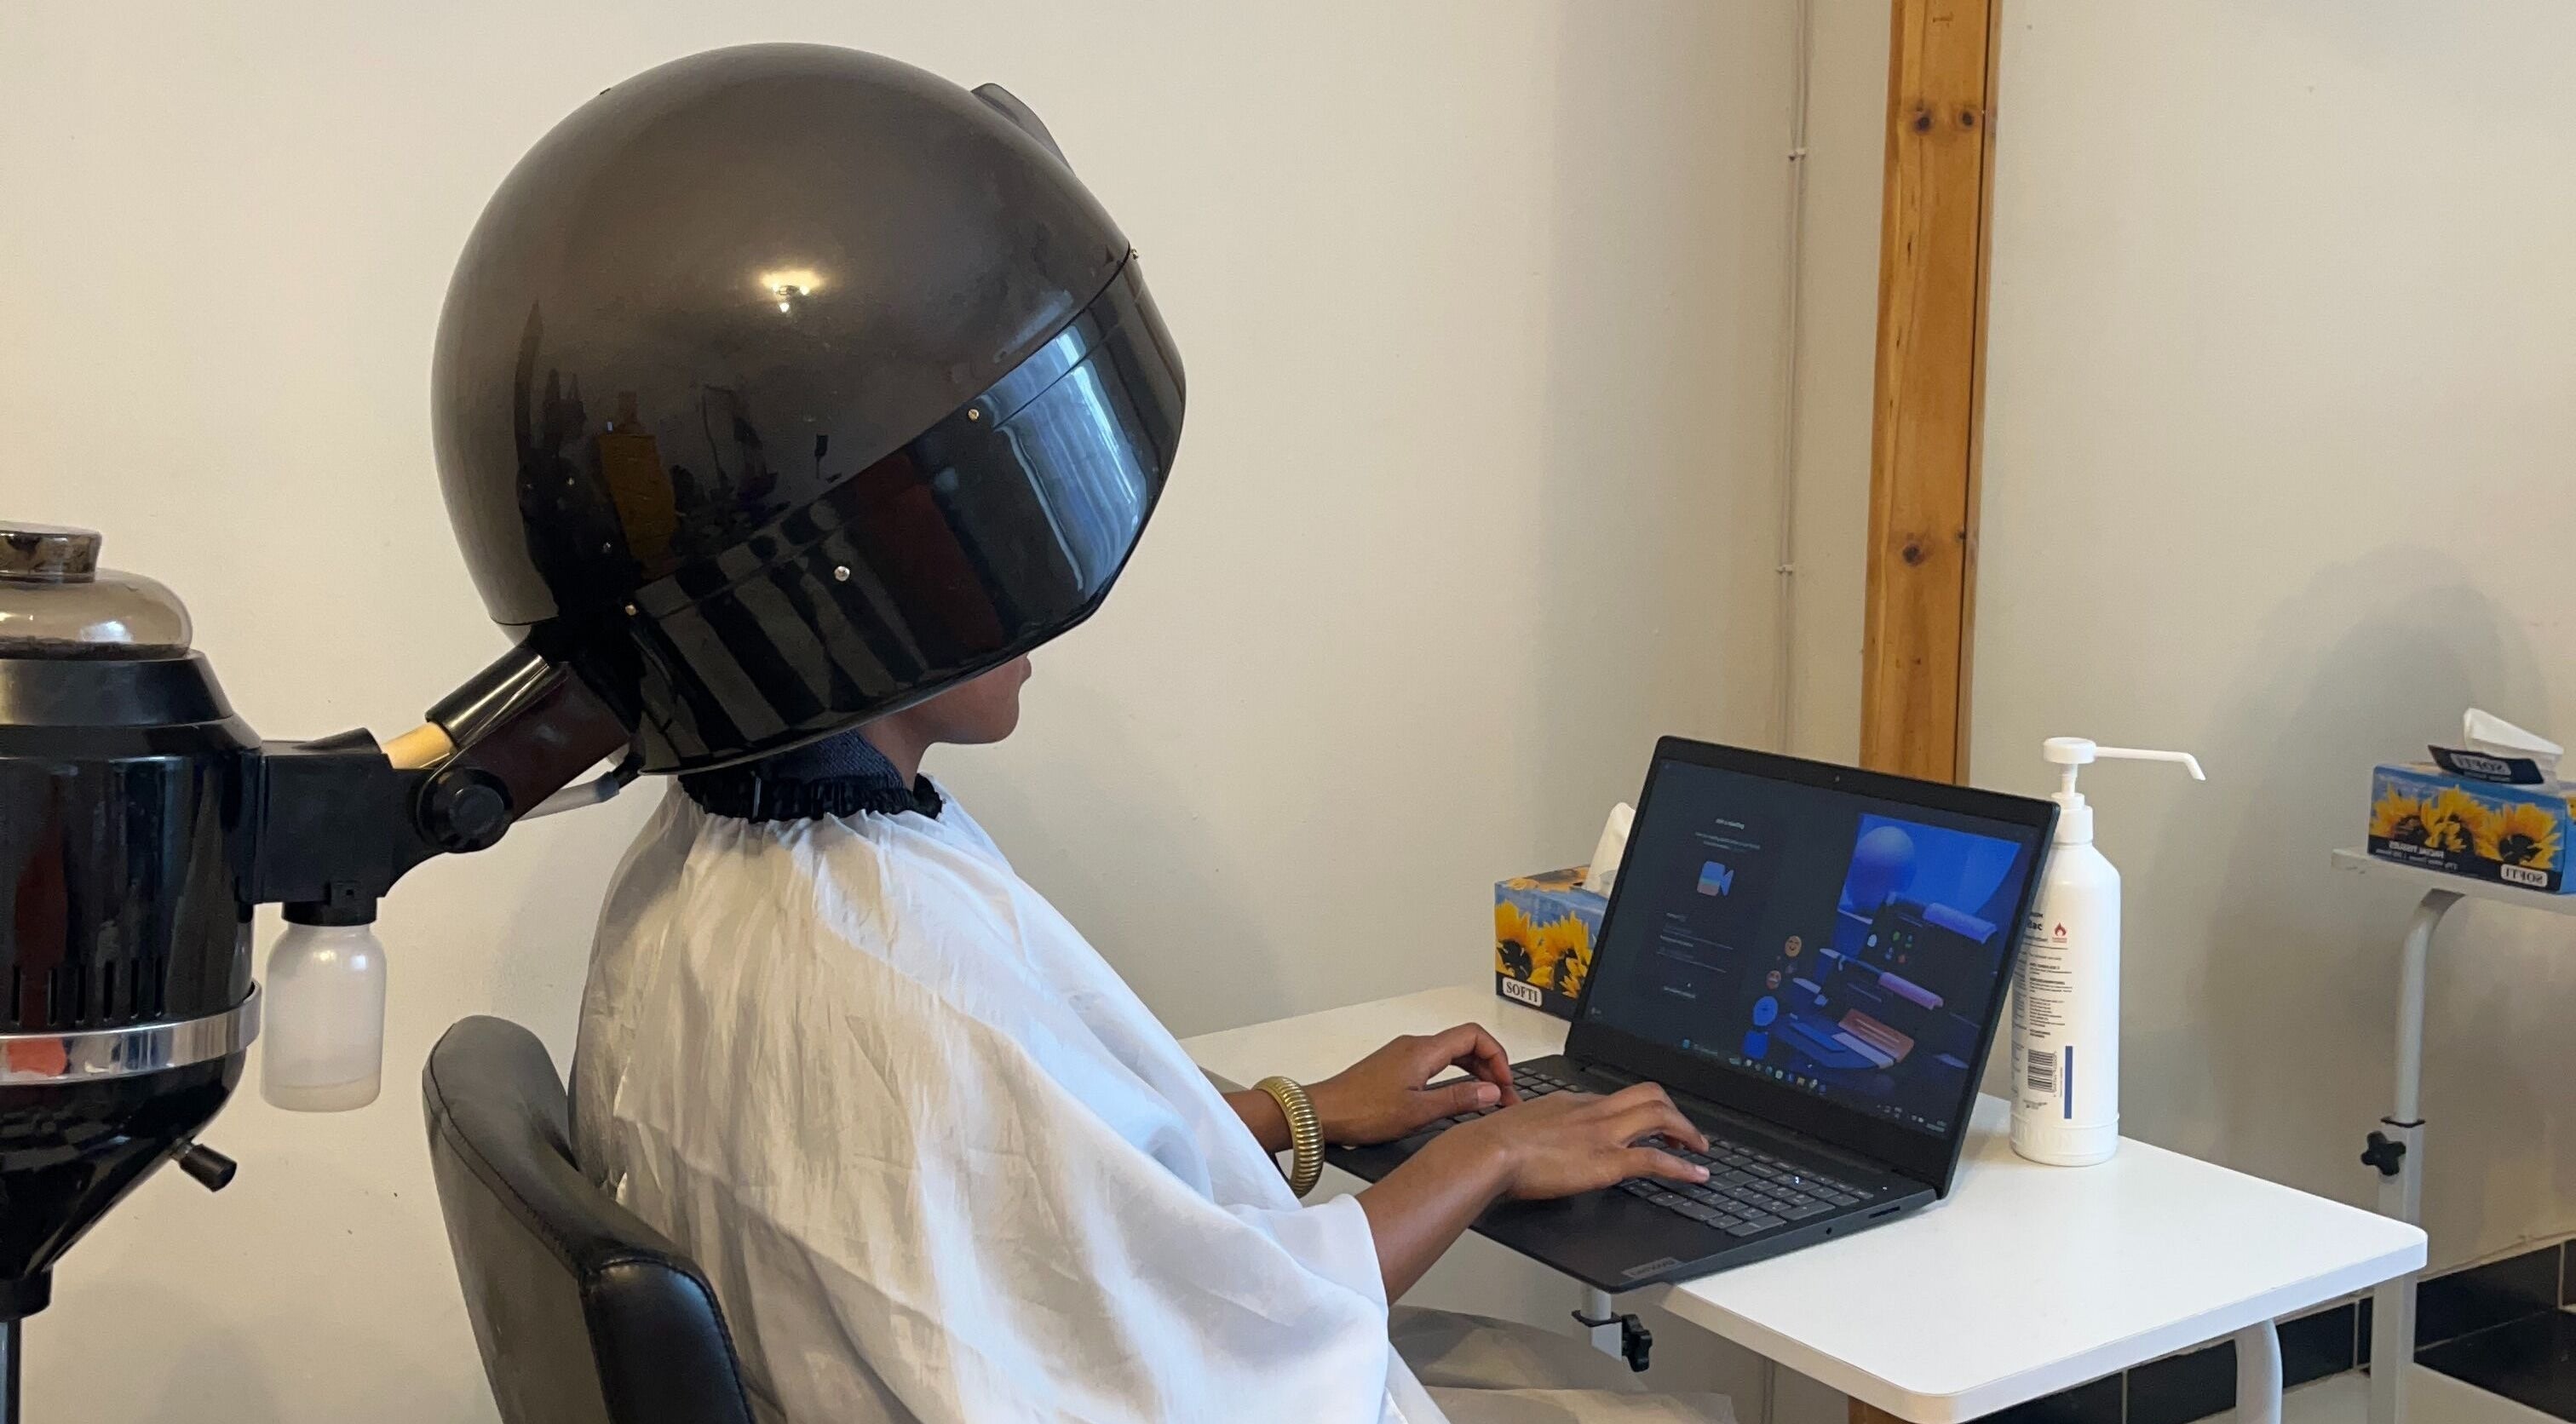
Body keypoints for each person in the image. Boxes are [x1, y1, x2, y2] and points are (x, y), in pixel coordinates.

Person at [572, 654, 1736, 1424]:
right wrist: (1489, 1155)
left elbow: (1011, 1198)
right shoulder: (900, 975)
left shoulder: (696, 869)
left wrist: (1298, 1114)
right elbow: (1244, 1338)